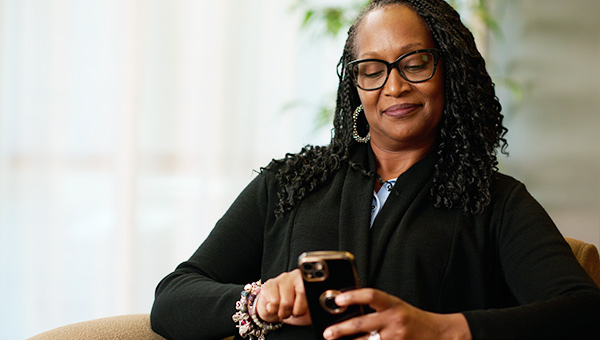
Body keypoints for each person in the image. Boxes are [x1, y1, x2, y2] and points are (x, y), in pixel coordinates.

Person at [150, 0, 600, 339]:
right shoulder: (288, 184)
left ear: (449, 71)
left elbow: (582, 310)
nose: (395, 86)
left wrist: (441, 329)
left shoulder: (494, 200)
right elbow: (173, 297)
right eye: (372, 69)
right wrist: (260, 302)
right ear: (355, 85)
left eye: (415, 62)